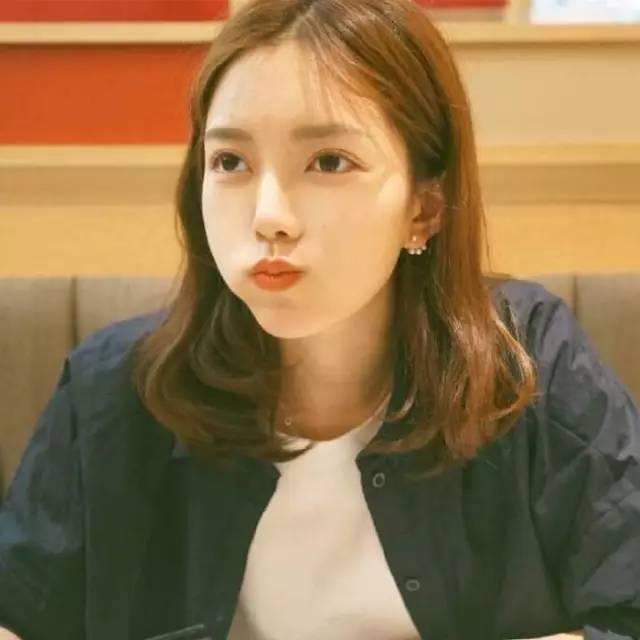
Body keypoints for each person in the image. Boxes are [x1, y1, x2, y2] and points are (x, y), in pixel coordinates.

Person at [1, 0, 639, 638]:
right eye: (230, 162)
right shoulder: (115, 391)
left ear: (423, 207)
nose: (268, 216)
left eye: (329, 162)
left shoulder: (526, 364)